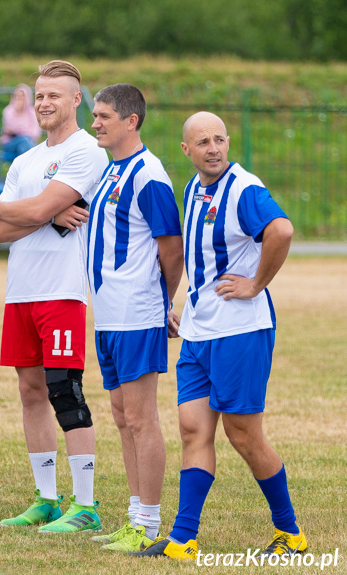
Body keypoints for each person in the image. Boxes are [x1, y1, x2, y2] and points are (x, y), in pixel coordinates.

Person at [132, 112, 303, 560]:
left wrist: (256, 283)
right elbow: (198, 257)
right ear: (186, 151)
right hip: (198, 329)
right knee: (192, 430)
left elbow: (280, 230)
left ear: (228, 143)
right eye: (203, 142)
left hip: (240, 331)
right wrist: (180, 304)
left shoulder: (243, 187)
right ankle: (183, 539)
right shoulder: (192, 189)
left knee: (244, 436)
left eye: (219, 139)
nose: (213, 148)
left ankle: (291, 534)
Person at [0, 60, 108, 533]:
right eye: (39, 95)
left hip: (62, 290)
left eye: (54, 94)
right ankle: (47, 500)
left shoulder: (87, 151)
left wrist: (6, 206)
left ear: (77, 100)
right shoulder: (24, 160)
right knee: (30, 391)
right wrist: (45, 214)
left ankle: (87, 506)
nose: (44, 102)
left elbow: (16, 210)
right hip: (22, 291)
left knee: (64, 391)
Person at [82, 84, 183, 552]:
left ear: (131, 121)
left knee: (142, 418)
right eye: (95, 115)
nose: (95, 122)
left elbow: (171, 248)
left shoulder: (150, 174)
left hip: (135, 313)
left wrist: (161, 302)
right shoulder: (111, 171)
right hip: (107, 316)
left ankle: (147, 523)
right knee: (122, 416)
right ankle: (133, 515)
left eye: (103, 116)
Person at [0, 84, 41, 161]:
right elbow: (11, 129)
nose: (19, 98)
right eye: (17, 96)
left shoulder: (32, 112)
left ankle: (21, 172)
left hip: (27, 142)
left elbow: (35, 133)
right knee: (25, 140)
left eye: (22, 96)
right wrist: (18, 111)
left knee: (22, 147)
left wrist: (19, 132)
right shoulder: (8, 111)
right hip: (10, 143)